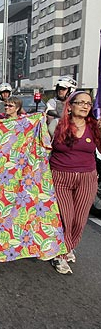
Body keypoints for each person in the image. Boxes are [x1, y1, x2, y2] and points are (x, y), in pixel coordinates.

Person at [49, 91, 101, 274]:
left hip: (87, 178)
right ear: (70, 106)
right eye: (81, 103)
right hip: (60, 176)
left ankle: (68, 246)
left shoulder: (95, 126)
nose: (86, 106)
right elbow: (41, 147)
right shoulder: (56, 125)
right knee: (65, 218)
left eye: (89, 103)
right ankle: (60, 255)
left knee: (79, 221)